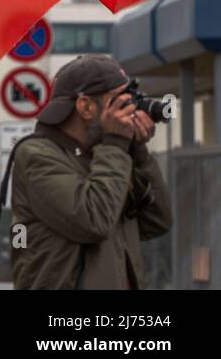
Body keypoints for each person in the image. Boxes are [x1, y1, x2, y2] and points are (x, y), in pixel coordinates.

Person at [9, 54, 171, 289]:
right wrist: (116, 142)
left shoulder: (105, 156)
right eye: (120, 102)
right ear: (85, 106)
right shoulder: (37, 156)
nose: (130, 109)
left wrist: (139, 153)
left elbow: (158, 221)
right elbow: (93, 222)